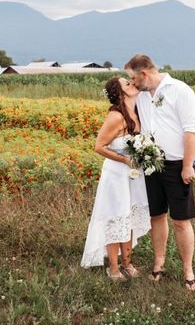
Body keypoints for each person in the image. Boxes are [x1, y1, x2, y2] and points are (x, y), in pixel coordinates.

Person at [124, 54, 195, 291]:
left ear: (144, 74)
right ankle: (159, 263)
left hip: (178, 165)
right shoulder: (140, 95)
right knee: (156, 216)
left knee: (181, 220)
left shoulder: (180, 90)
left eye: (133, 78)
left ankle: (188, 270)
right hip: (151, 164)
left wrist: (188, 166)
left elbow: (192, 130)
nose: (132, 83)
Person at [80, 77, 151, 279]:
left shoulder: (136, 113)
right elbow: (99, 146)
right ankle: (113, 267)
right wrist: (124, 160)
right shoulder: (115, 117)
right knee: (116, 217)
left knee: (127, 216)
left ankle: (127, 263)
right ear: (121, 94)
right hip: (116, 174)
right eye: (127, 84)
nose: (132, 84)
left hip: (133, 175)